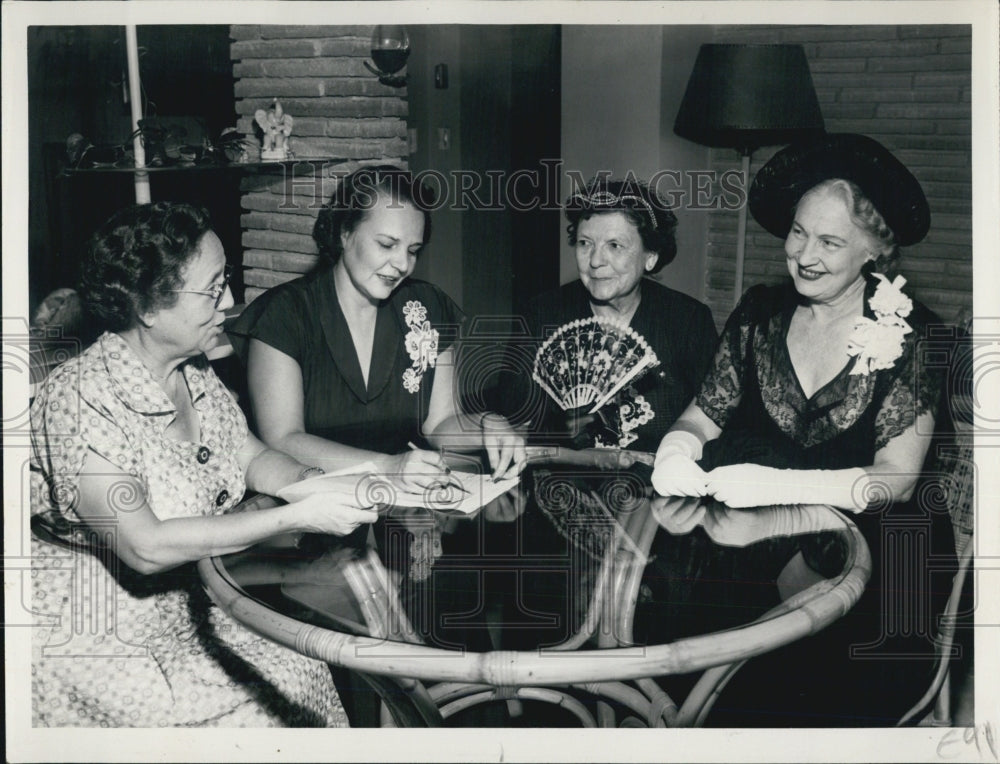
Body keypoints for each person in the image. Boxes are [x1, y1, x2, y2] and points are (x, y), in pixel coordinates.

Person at [649, 133, 957, 726]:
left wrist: (772, 486)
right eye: (798, 232)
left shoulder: (918, 337)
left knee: (803, 693)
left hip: (873, 546)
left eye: (830, 241)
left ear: (875, 250)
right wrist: (676, 451)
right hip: (748, 539)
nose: (804, 254)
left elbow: (893, 480)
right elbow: (702, 413)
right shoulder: (761, 311)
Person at [30, 202, 378, 727]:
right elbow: (143, 547)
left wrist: (319, 486)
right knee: (251, 711)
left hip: (185, 606)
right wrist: (298, 516)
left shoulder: (192, 371)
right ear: (149, 307)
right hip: (90, 635)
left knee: (302, 672)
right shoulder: (80, 397)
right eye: (213, 290)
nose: (231, 301)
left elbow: (253, 455)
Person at [230, 164, 526, 722]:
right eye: (387, 243)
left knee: (473, 603)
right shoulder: (286, 314)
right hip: (315, 522)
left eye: (413, 250)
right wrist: (388, 466)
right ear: (344, 233)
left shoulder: (429, 308)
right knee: (368, 665)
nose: (401, 264)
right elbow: (281, 436)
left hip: (411, 523)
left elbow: (442, 423)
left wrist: (486, 423)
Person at [499, 176, 718, 647]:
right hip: (559, 496)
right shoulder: (542, 314)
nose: (595, 261)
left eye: (616, 245)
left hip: (657, 503)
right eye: (584, 243)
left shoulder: (688, 321)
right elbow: (515, 419)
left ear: (650, 257)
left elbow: (715, 421)